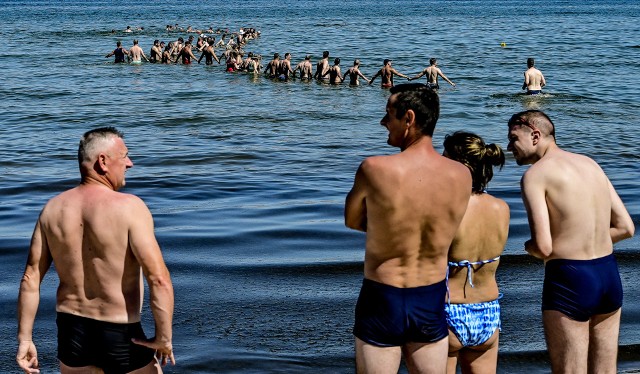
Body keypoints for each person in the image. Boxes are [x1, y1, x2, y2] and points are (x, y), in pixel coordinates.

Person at [16, 127, 175, 374]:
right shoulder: (130, 207)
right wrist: (164, 338)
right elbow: (159, 279)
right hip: (120, 332)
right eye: (124, 156)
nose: (130, 163)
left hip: (71, 331)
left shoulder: (52, 209)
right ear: (103, 161)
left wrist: (25, 339)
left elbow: (30, 278)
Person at [345, 84, 472, 373]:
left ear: (409, 118)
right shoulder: (461, 175)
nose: (383, 122)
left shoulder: (374, 169)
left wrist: (387, 228)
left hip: (382, 297)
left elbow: (352, 220)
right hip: (430, 296)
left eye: (388, 114)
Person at [506, 110, 634, 373]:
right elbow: (626, 228)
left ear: (535, 135)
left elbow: (543, 247)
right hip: (608, 275)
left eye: (513, 138)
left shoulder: (535, 175)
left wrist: (527, 247)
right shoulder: (590, 164)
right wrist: (584, 238)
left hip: (570, 279)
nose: (509, 147)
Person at [442, 131, 509, 374]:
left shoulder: (447, 208)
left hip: (449, 308)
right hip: (489, 310)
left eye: (444, 156)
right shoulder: (501, 208)